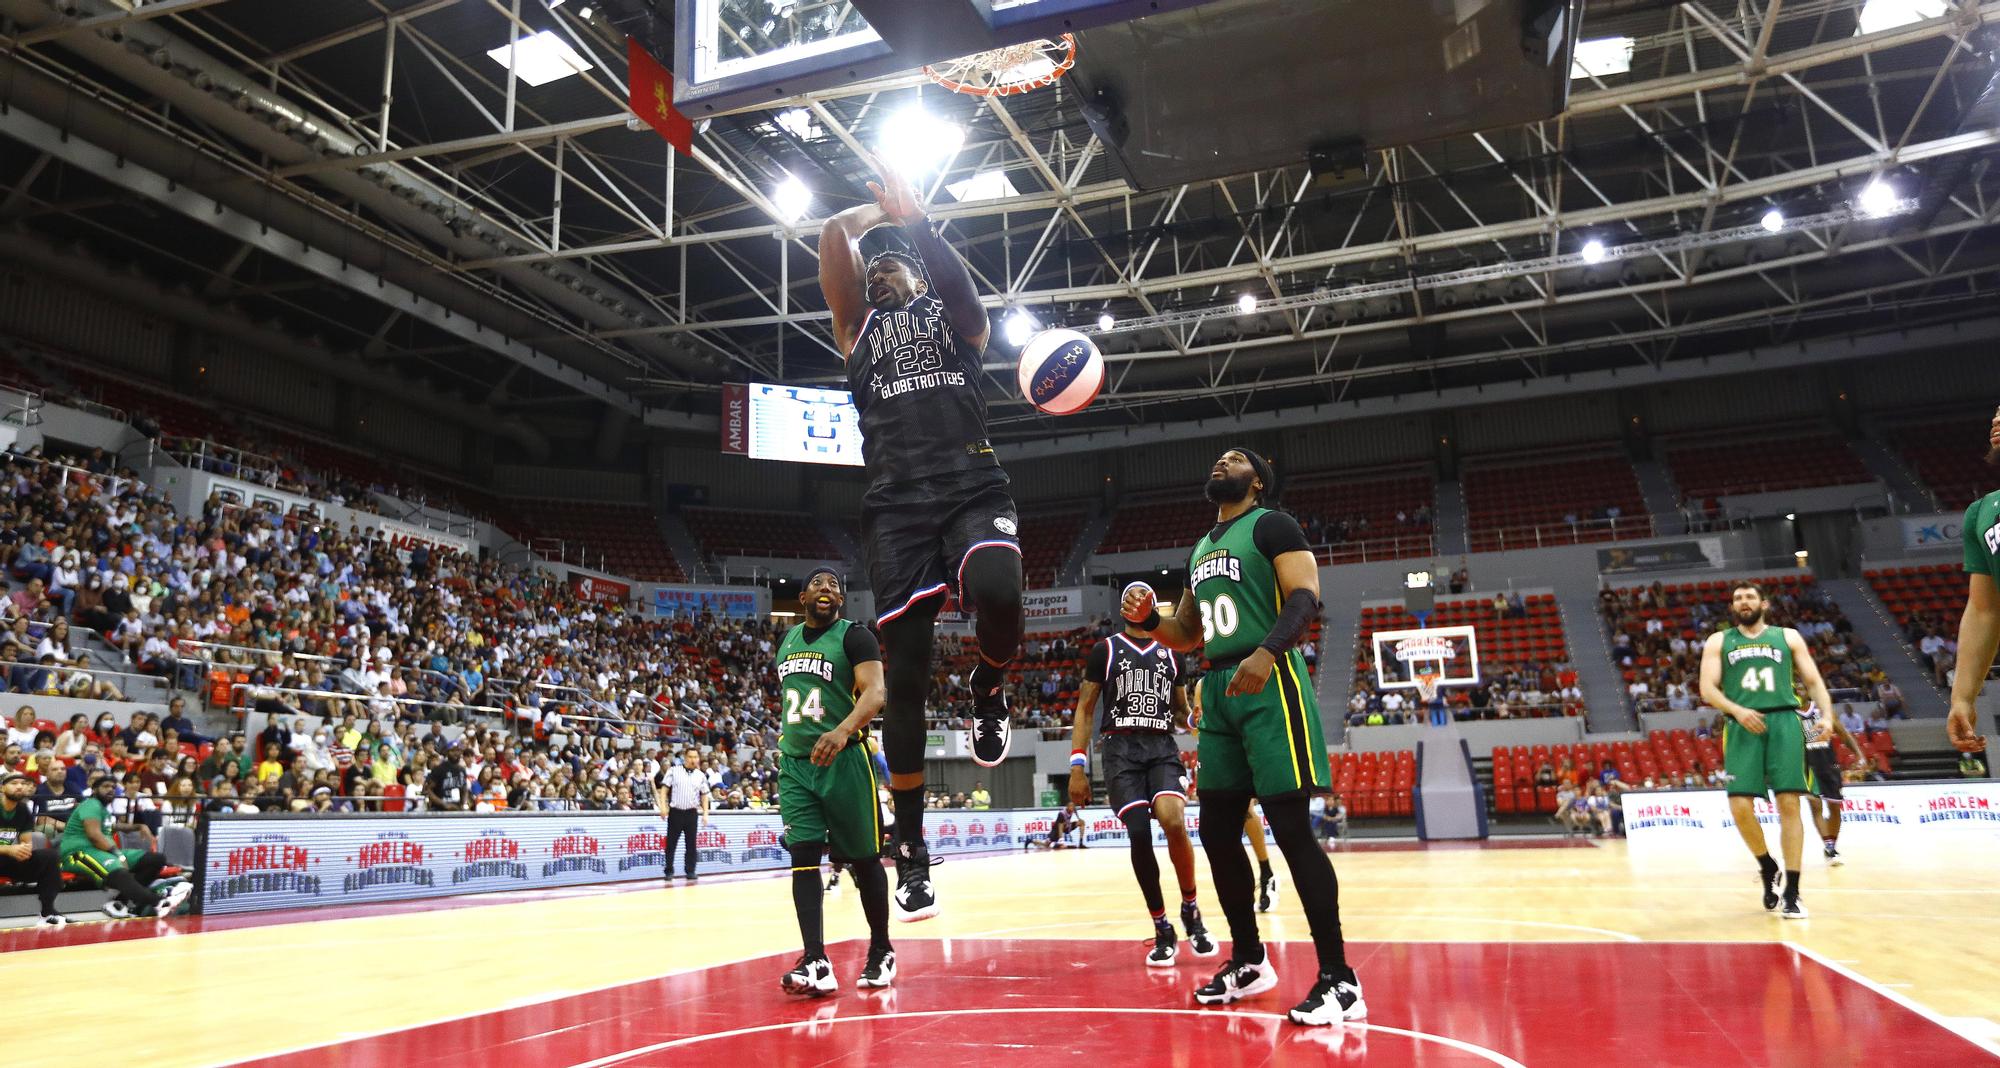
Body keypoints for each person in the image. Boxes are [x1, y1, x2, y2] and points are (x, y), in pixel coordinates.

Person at [821, 161, 1027, 921]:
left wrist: (915, 223)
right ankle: (910, 850)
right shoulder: (858, 331)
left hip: (971, 484)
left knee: (1001, 593)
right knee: (902, 682)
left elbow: (968, 298)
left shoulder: (954, 320)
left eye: (891, 265)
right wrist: (868, 215)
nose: (877, 274)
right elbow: (830, 240)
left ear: (920, 273)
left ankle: (987, 687)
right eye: (870, 271)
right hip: (895, 504)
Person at [1122, 447, 1363, 1026]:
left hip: (1270, 679)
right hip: (1222, 687)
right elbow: (1187, 631)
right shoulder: (1202, 548)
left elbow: (1306, 594)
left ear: (1256, 479)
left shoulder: (1272, 523)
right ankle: (1250, 960)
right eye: (1216, 459)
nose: (1218, 464)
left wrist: (1268, 651)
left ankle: (1339, 979)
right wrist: (1150, 621)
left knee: (1289, 827)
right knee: (1219, 831)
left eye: (1233, 460)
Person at [1067, 618, 1217, 967]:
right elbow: (1085, 709)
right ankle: (1161, 925)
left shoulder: (1173, 654)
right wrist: (1077, 767)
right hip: (1120, 749)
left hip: (1161, 747)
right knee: (1138, 833)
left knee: (1173, 820)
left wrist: (1198, 721)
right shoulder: (1105, 650)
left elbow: (1180, 714)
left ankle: (1190, 909)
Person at [774, 569, 897, 996]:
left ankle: (881, 948)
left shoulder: (855, 636)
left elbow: (875, 693)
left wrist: (842, 730)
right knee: (803, 856)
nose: (827, 589)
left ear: (841, 600)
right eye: (819, 584)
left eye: (835, 586)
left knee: (864, 859)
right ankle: (815, 959)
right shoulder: (786, 641)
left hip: (844, 759)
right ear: (803, 595)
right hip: (795, 764)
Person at [1698, 582, 1837, 920]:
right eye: (1737, 599)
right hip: (1741, 724)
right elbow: (1706, 688)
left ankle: (1792, 890)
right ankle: (1765, 864)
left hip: (1785, 722)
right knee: (1739, 806)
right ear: (1732, 607)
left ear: (1763, 603)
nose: (1743, 602)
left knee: (1789, 804)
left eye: (1749, 597)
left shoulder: (1787, 637)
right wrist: (1737, 710)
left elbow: (1815, 681)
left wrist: (1828, 716)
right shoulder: (1719, 641)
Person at [58, 774, 192, 919]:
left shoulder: (102, 810)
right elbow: (94, 835)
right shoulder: (91, 804)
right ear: (95, 789)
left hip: (101, 851)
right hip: (78, 853)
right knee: (119, 870)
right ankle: (160, 903)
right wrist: (118, 854)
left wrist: (137, 826)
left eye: (113, 787)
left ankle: (119, 903)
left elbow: (113, 826)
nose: (111, 790)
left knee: (155, 859)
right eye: (106, 786)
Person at [1946, 404, 2000, 761]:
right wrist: (1962, 697)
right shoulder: (1982, 512)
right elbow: (1984, 610)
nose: (1995, 420)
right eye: (1995, 414)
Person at [1799, 701, 1865, 866]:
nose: (1800, 688)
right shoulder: (1790, 713)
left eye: (1803, 684)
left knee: (1835, 807)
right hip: (1807, 766)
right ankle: (1829, 848)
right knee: (1815, 806)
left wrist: (1859, 754)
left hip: (1829, 763)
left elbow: (1842, 732)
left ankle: (1832, 844)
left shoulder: (1822, 709)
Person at [0, 771, 66, 926]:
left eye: (23, 784)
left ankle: (47, 912)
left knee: (49, 856)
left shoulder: (23, 810)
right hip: (5, 854)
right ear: (2, 788)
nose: (19, 787)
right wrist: (9, 850)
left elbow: (25, 841)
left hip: (7, 859)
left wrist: (24, 850)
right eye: (14, 783)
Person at [658, 747, 709, 882]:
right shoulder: (673, 771)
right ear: (685, 758)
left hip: (692, 813)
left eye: (696, 757)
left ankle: (690, 870)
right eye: (691, 757)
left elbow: (704, 796)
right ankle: (669, 871)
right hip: (676, 812)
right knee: (671, 844)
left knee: (691, 844)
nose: (693, 760)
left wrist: (705, 814)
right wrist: (663, 807)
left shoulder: (700, 775)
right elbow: (663, 790)